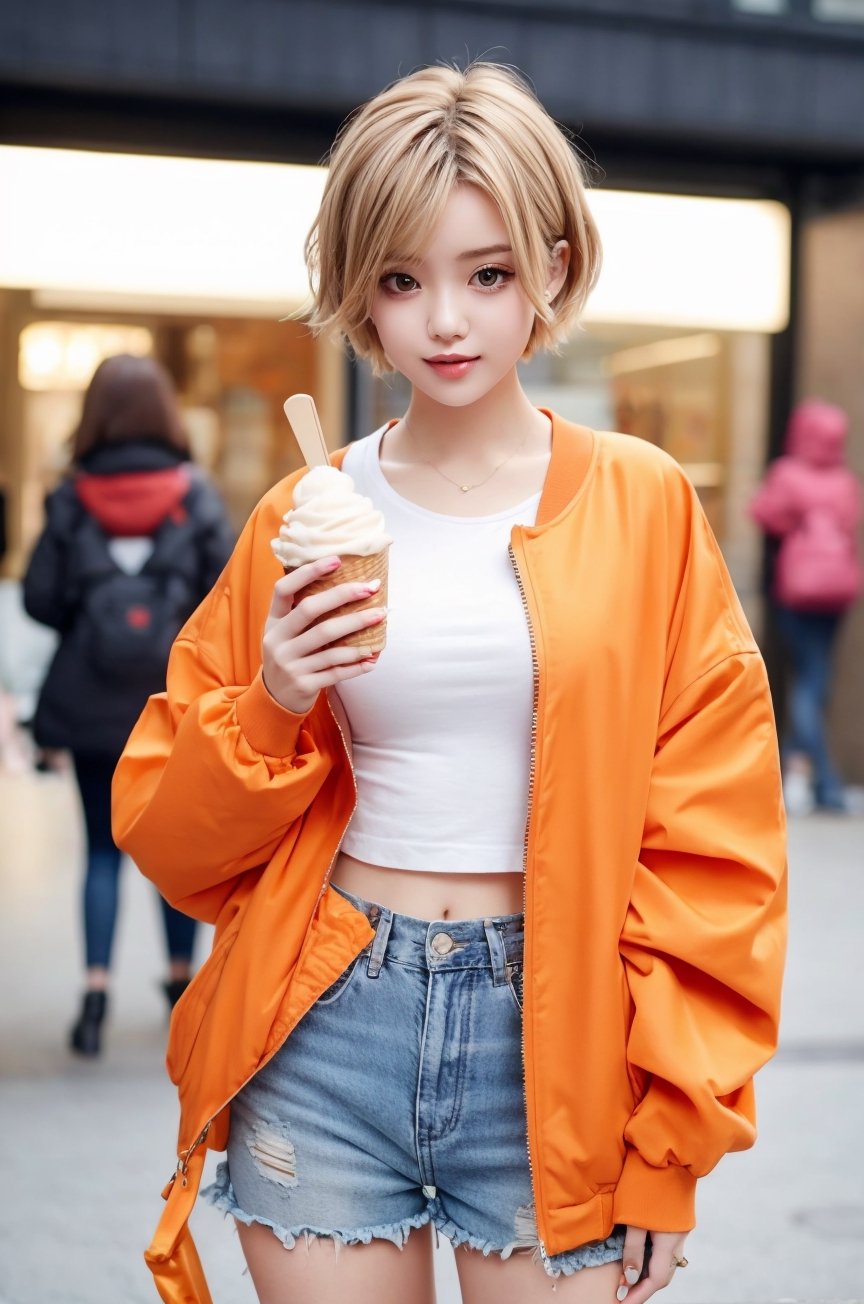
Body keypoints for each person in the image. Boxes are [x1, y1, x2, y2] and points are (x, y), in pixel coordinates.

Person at [113, 65, 787, 1304]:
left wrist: (672, 1144)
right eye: (402, 277)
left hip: (563, 1038)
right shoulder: (302, 519)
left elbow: (715, 842)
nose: (447, 321)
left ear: (551, 265)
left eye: (487, 273)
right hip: (326, 1017)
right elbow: (170, 833)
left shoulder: (642, 506)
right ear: (360, 292)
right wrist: (271, 695)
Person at [23, 353, 234, 1056]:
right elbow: (225, 598)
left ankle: (93, 996)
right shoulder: (195, 495)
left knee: (101, 853)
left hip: (86, 702)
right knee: (174, 850)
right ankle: (181, 986)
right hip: (170, 702)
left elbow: (40, 599)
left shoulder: (70, 496)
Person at [750, 399, 863, 814]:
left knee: (806, 682)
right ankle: (806, 777)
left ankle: (824, 781)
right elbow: (850, 522)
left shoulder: (787, 474)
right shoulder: (844, 481)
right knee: (818, 679)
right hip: (836, 593)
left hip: (796, 590)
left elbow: (764, 513)